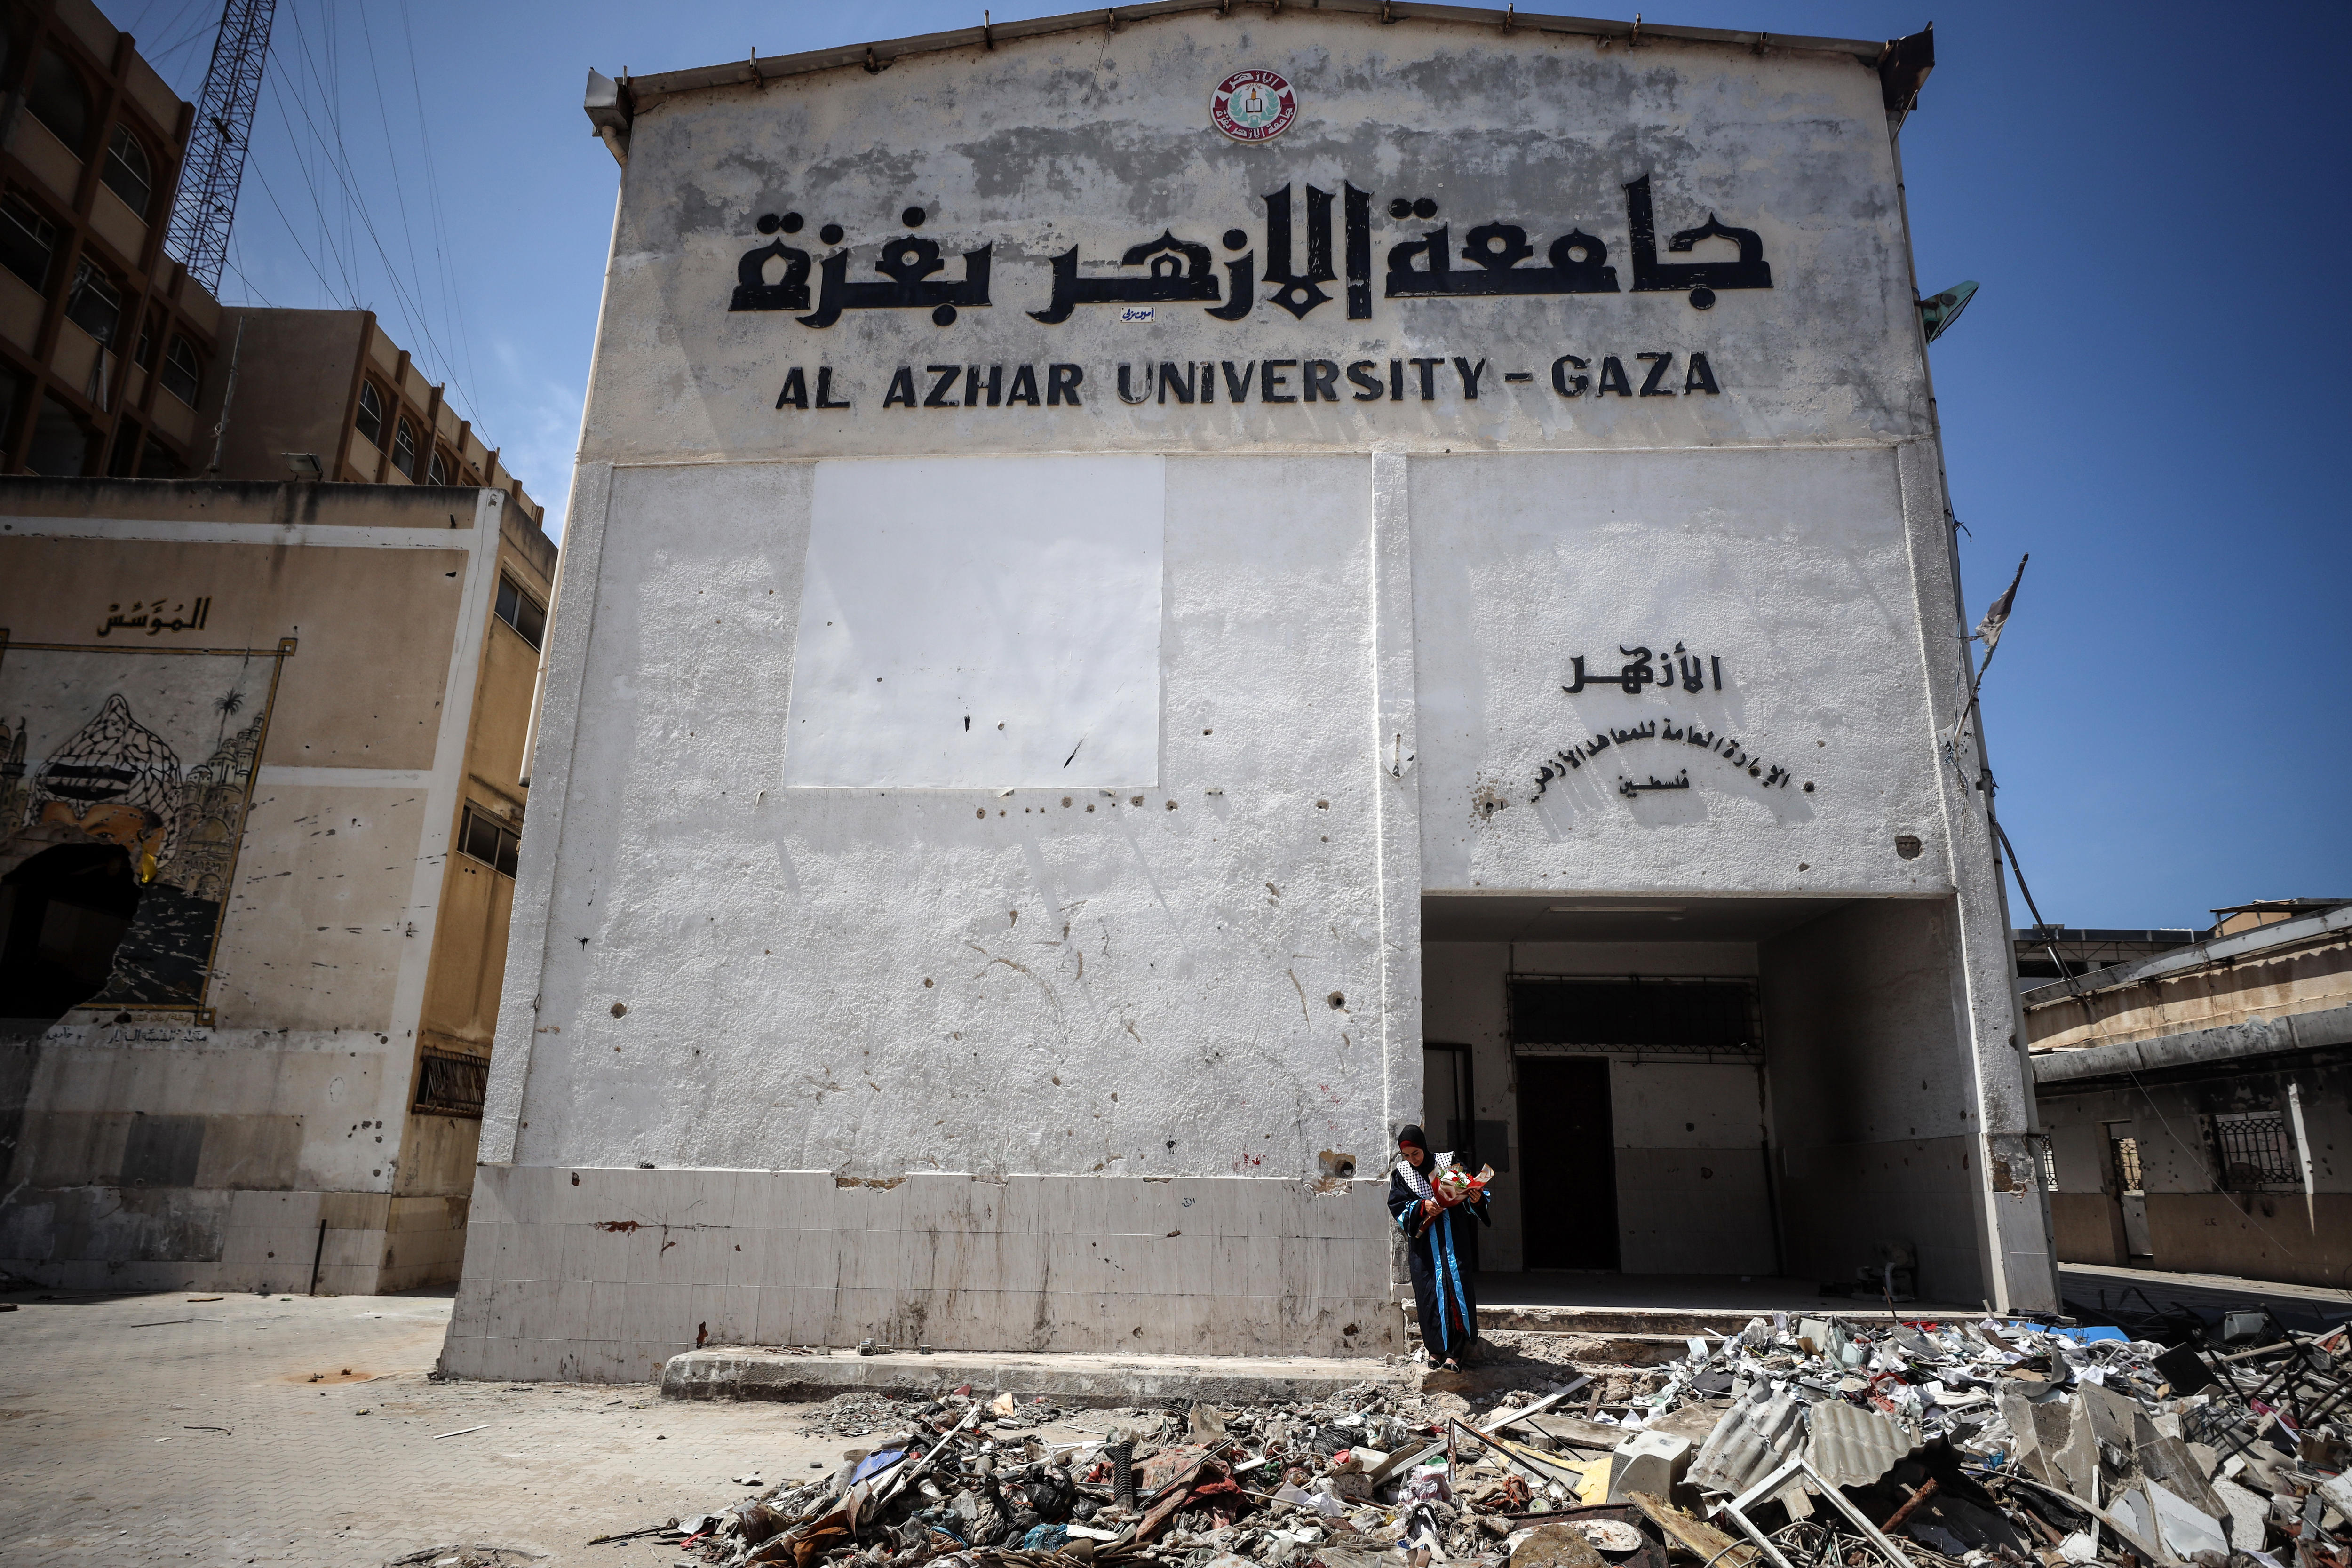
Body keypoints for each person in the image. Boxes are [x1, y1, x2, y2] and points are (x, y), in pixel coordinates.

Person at [1386, 1123, 1489, 1369]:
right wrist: (1423, 1207)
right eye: (1407, 1156)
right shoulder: (1402, 1173)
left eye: (1416, 1154)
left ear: (1424, 1148)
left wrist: (1475, 1197)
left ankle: (1455, 1352)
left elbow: (1469, 1190)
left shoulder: (1447, 1162)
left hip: (1454, 1242)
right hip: (1425, 1249)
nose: (1412, 1160)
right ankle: (1435, 1350)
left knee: (1456, 1291)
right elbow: (1398, 1205)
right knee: (1429, 1294)